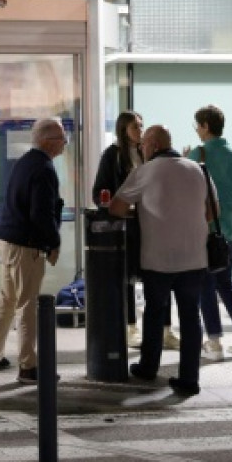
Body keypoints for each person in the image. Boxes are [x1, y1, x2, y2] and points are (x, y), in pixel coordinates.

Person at [111, 124, 213, 397]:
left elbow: (116, 207)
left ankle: (148, 367)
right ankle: (189, 379)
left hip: (159, 258)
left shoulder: (145, 171)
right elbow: (211, 212)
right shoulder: (196, 168)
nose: (141, 149)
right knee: (191, 316)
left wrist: (144, 207)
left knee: (155, 312)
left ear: (153, 146)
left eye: (143, 144)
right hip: (194, 257)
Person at [0, 117, 66, 384]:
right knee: (27, 304)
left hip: (6, 239)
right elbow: (41, 213)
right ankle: (28, 367)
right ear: (47, 141)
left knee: (7, 300)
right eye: (61, 138)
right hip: (24, 246)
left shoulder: (26, 162)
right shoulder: (43, 168)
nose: (64, 143)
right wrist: (52, 243)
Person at [188, 105, 232, 361]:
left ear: (205, 126)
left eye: (198, 126)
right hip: (228, 226)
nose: (197, 131)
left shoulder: (198, 153)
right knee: (226, 282)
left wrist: (187, 158)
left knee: (206, 284)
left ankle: (213, 343)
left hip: (206, 226)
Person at [92, 111, 155, 349]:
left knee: (153, 274)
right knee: (127, 276)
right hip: (127, 222)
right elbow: (100, 191)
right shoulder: (112, 155)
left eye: (142, 125)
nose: (140, 131)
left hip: (149, 221)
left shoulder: (147, 153)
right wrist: (114, 207)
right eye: (135, 127)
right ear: (123, 130)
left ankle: (162, 328)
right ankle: (131, 326)